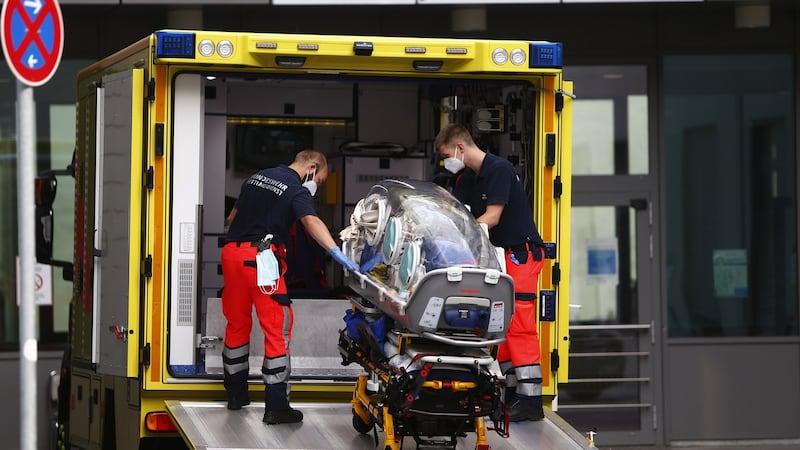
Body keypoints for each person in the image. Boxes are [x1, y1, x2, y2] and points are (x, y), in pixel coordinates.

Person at [221, 149, 359, 424]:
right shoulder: (296, 188)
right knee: (276, 328)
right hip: (259, 260)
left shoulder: (256, 178)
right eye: (319, 180)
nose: (316, 186)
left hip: (231, 255)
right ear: (311, 167)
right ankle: (276, 406)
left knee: (236, 324)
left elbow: (231, 219)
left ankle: (236, 395)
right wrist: (335, 252)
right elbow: (311, 221)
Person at [434, 124, 545, 422]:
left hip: (519, 254)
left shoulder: (498, 170)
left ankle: (531, 399)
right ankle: (512, 391)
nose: (446, 161)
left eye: (447, 155)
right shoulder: (471, 177)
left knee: (519, 323)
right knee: (503, 324)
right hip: (500, 256)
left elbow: (492, 217)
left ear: (460, 147)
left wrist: (462, 239)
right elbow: (457, 209)